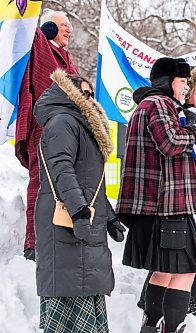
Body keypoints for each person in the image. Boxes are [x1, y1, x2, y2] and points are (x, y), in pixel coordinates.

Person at [117, 57, 196, 333]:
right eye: (183, 82)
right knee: (184, 271)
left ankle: (151, 324)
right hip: (167, 203)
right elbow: (171, 143)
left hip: (158, 202)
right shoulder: (159, 104)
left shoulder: (149, 105)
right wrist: (193, 126)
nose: (185, 88)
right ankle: (171, 327)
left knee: (165, 271)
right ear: (168, 82)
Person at [34, 70, 123, 333]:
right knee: (70, 289)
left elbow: (91, 182)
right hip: (65, 222)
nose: (91, 99)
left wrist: (110, 217)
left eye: (92, 95)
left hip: (83, 222)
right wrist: (79, 212)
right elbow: (61, 169)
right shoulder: (63, 122)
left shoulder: (79, 124)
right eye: (84, 94)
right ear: (69, 94)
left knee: (85, 285)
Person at [15, 9, 79, 261]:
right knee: (42, 185)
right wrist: (43, 31)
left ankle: (59, 242)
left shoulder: (66, 58)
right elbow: (26, 32)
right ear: (50, 29)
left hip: (68, 134)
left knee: (64, 187)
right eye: (64, 25)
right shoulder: (40, 47)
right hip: (43, 131)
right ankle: (34, 243)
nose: (70, 29)